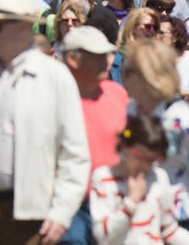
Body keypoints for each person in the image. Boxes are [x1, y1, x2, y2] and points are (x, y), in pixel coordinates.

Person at [0, 0, 90, 245]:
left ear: (23, 28)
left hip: (29, 214)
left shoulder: (55, 77)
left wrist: (61, 214)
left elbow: (75, 154)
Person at [121, 39, 189, 236]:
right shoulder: (129, 111)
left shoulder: (181, 120)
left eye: (128, 72)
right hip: (142, 215)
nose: (122, 77)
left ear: (149, 75)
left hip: (181, 217)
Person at [59, 26, 129, 245]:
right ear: (72, 58)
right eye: (98, 55)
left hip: (117, 207)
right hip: (72, 212)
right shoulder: (53, 98)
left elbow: (131, 140)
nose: (107, 60)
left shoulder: (117, 92)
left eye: (107, 54)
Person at [90, 114, 189, 245]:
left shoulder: (158, 177)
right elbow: (103, 236)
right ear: (124, 146)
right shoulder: (104, 179)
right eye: (140, 155)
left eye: (152, 159)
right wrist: (131, 202)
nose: (145, 165)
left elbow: (168, 229)